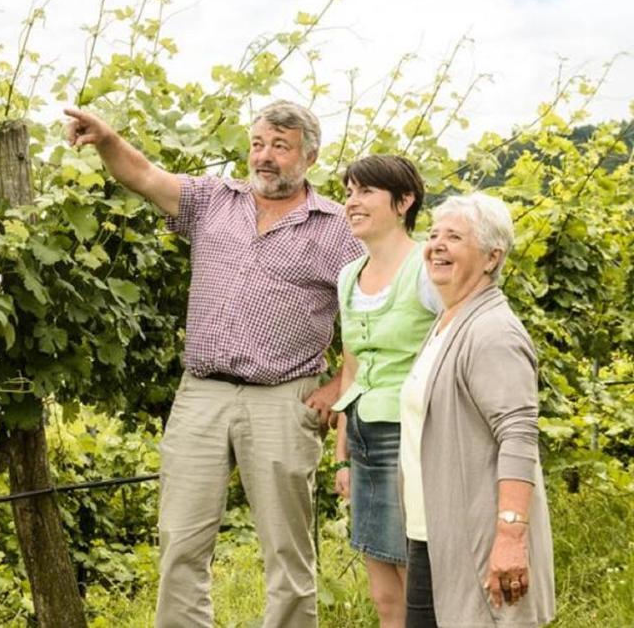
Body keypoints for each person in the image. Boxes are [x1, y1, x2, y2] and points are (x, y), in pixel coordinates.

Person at [65, 100, 362, 628]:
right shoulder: (212, 200)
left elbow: (368, 314)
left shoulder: (337, 229)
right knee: (180, 540)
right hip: (201, 392)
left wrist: (340, 385)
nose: (264, 157)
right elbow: (144, 175)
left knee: (286, 553)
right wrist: (107, 138)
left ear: (309, 157)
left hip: (283, 396)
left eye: (280, 147)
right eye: (258, 144)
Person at [400, 193, 555, 627]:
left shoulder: (492, 331)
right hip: (433, 534)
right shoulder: (449, 320)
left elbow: (519, 434)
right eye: (433, 235)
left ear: (491, 257)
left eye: (454, 236)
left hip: (478, 540)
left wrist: (510, 535)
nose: (437, 245)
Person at [330, 155, 441, 628]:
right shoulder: (348, 275)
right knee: (381, 589)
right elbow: (350, 367)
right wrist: (341, 455)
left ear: (404, 201)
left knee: (416, 577)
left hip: (411, 436)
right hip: (363, 436)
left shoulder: (428, 268)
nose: (352, 202)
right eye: (349, 192)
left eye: (366, 192)